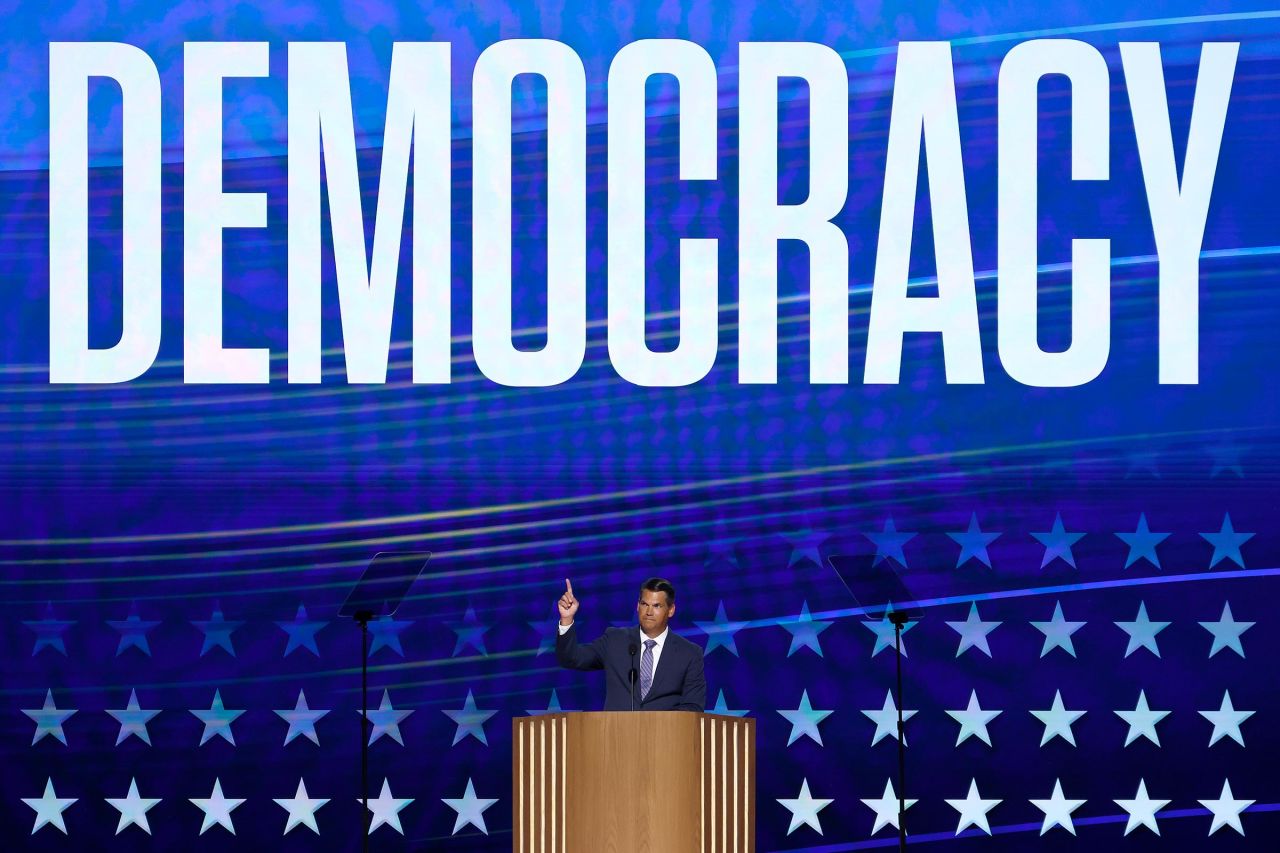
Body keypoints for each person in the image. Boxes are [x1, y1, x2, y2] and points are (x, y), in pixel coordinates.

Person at [555, 577, 706, 712]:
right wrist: (566, 619)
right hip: (616, 737)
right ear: (637, 606)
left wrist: (657, 725)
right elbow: (571, 658)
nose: (648, 612)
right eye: (644, 604)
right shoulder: (615, 640)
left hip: (664, 739)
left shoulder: (689, 653)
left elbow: (693, 707)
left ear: (671, 610)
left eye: (657, 606)